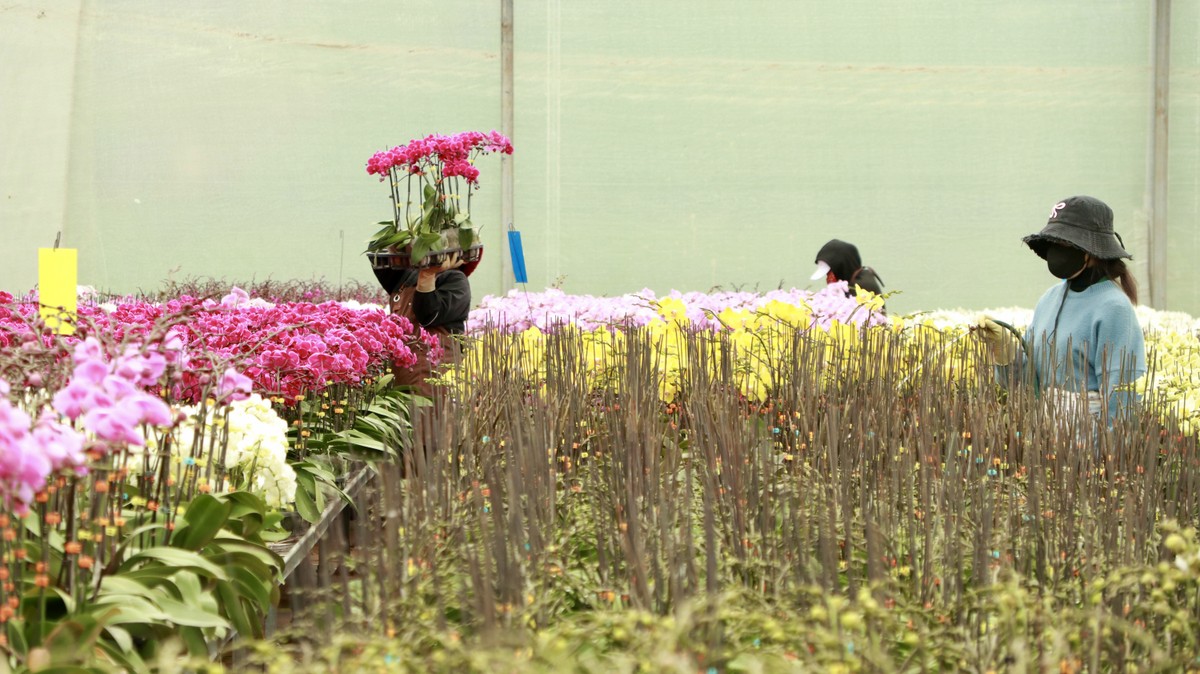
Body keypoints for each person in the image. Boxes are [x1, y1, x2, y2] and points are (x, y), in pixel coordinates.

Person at [975, 195, 1146, 424]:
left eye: (1065, 243)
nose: (1057, 251)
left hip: (1089, 445)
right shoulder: (1049, 299)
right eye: (1054, 242)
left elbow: (1123, 398)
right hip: (1045, 442)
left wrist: (1103, 453)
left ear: (1091, 250)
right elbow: (1028, 387)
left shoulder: (1114, 308)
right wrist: (1006, 352)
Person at [372, 251, 475, 398]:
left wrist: (428, 276)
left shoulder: (455, 280)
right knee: (407, 417)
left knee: (428, 418)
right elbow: (379, 256)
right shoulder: (406, 278)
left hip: (432, 377)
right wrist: (407, 243)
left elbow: (427, 315)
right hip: (403, 376)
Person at [811, 239, 886, 298]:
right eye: (827, 274)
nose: (828, 278)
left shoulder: (862, 285)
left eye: (830, 272)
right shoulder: (854, 280)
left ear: (842, 267)